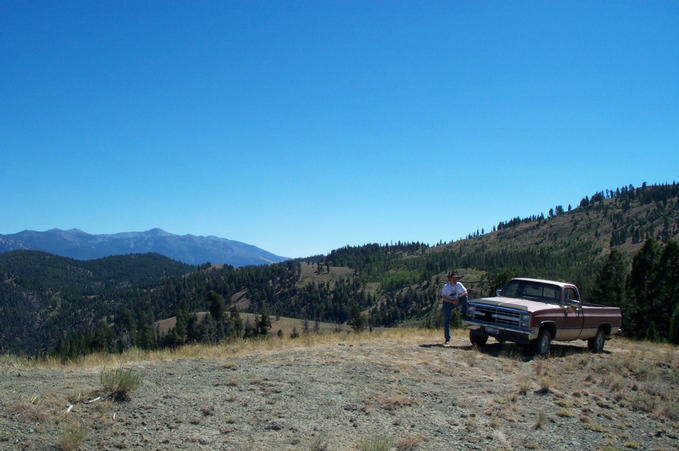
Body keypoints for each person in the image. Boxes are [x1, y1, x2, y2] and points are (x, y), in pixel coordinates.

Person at [441, 271, 468, 345]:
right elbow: (443, 297)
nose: (455, 280)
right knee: (446, 320)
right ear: (450, 279)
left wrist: (459, 297)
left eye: (456, 278)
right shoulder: (446, 287)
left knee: (465, 298)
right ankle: (447, 338)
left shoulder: (459, 285)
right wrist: (452, 301)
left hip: (456, 300)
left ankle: (464, 313)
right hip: (448, 303)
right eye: (454, 278)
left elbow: (465, 292)